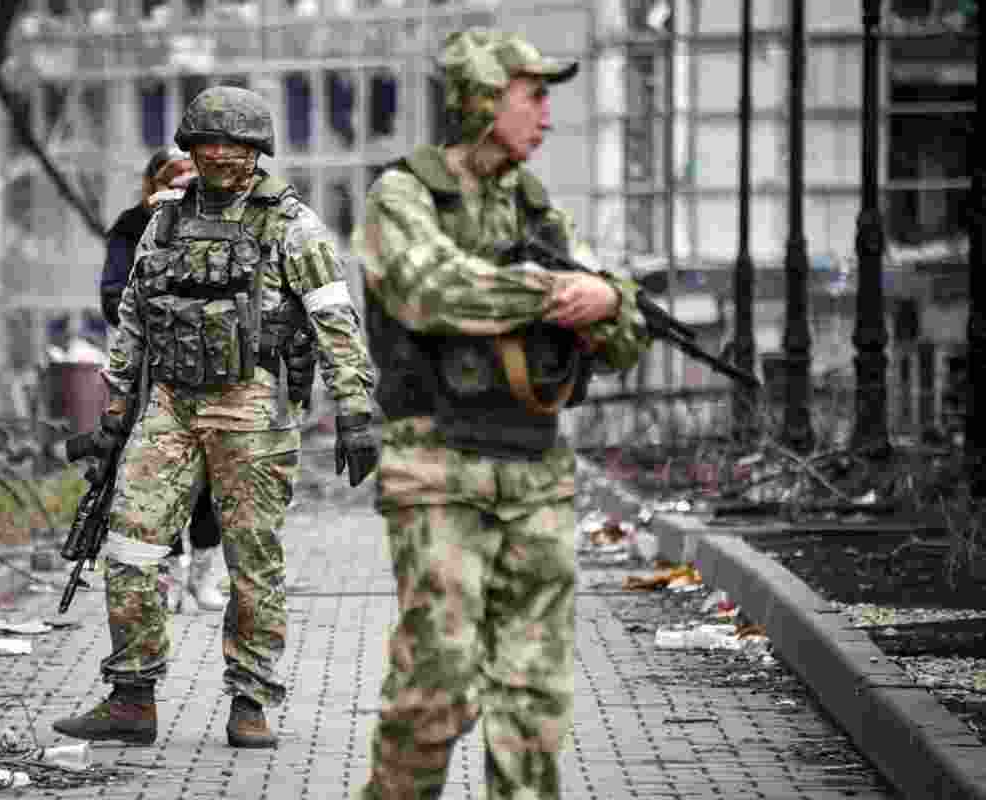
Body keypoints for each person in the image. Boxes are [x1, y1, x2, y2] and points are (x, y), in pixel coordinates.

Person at [355, 30, 652, 799]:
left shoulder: (535, 206)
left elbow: (622, 335)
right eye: (535, 95)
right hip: (438, 469)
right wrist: (558, 295)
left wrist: (610, 298)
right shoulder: (403, 195)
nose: (548, 115)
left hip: (536, 474)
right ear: (484, 99)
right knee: (439, 686)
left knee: (533, 700)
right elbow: (430, 290)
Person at [53, 85, 378, 749]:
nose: (221, 154)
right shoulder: (164, 223)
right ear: (190, 148)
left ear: (259, 152)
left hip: (253, 413)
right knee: (131, 548)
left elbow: (335, 321)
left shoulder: (292, 226)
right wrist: (116, 410)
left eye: (237, 145)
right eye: (208, 143)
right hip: (170, 408)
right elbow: (135, 321)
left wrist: (355, 410)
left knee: (252, 563)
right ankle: (132, 697)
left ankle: (251, 701)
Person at [101, 145, 226, 612]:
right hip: (155, 372)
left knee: (213, 475)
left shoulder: (222, 222)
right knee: (159, 477)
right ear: (154, 180)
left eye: (192, 175)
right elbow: (114, 298)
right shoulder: (134, 226)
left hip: (215, 372)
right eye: (174, 175)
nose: (184, 184)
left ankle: (204, 575)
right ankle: (168, 577)